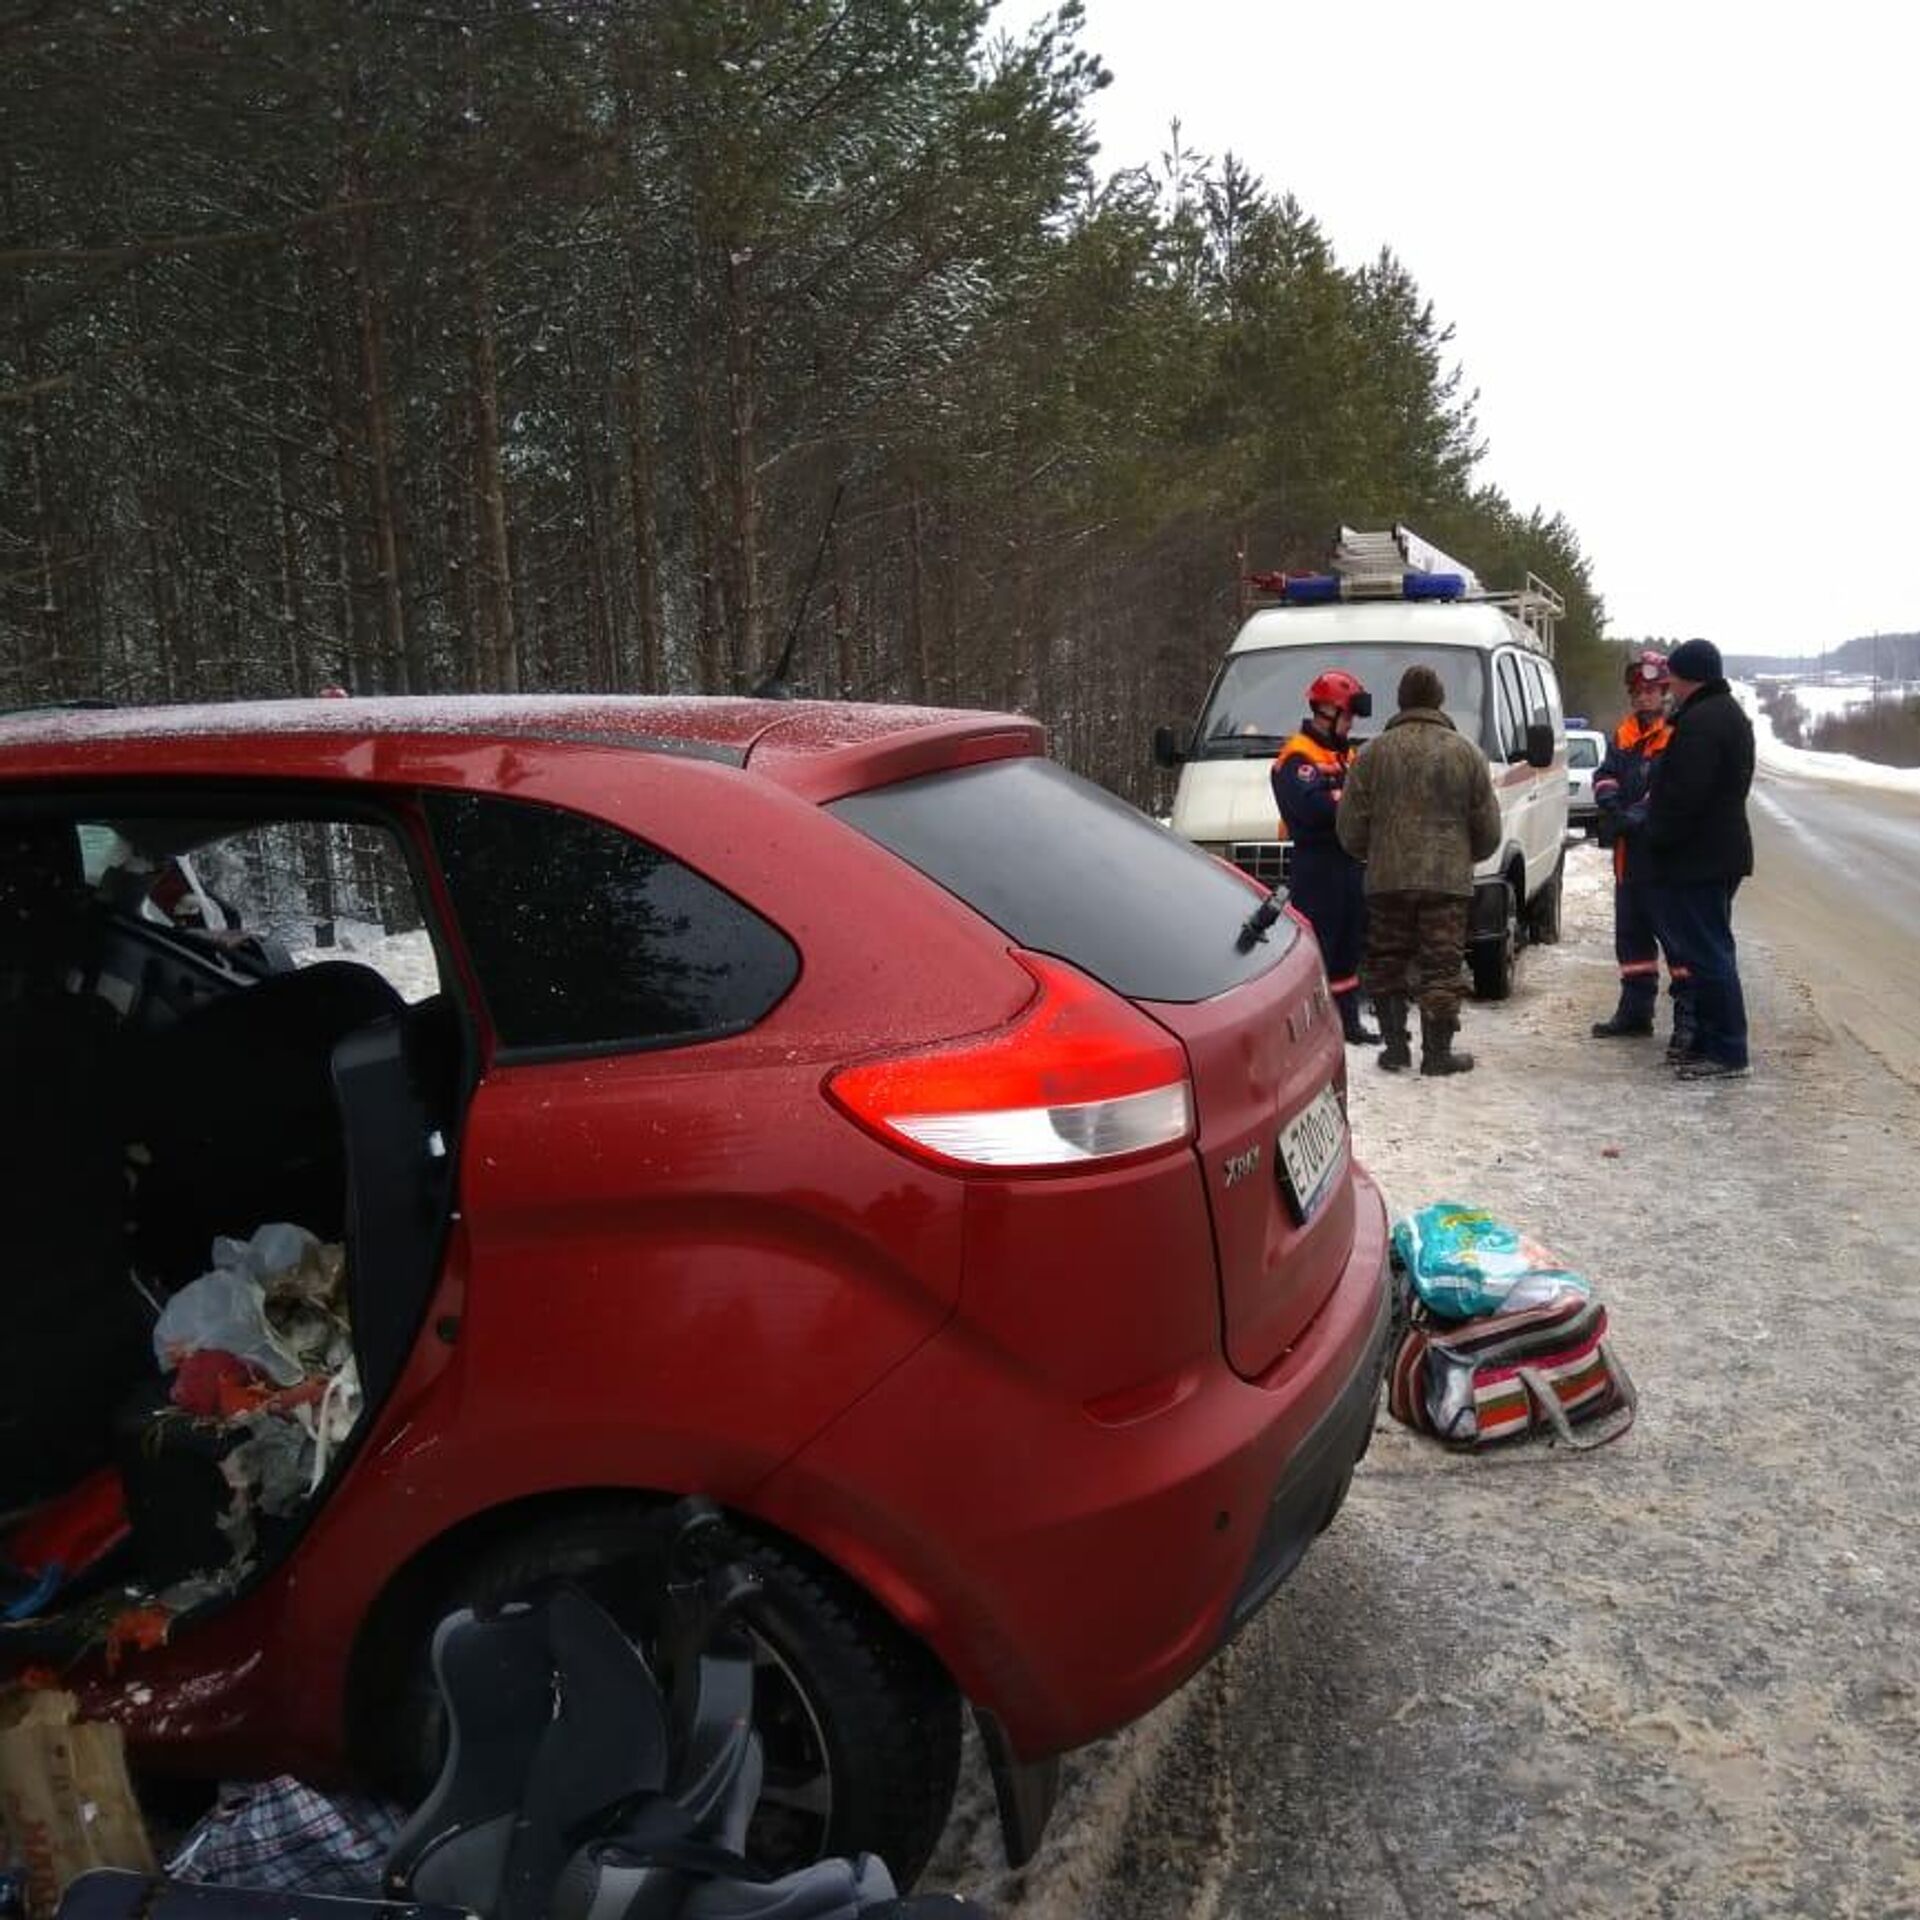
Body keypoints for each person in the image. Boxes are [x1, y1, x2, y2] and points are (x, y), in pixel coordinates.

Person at [1337, 663, 1501, 1075]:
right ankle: (1438, 1054)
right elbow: (1488, 829)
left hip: (1387, 878)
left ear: (1401, 701)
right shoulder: (1466, 753)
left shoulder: (1372, 753)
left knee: (1387, 961)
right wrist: (1465, 855)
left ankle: (1395, 1048)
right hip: (1446, 880)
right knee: (1442, 966)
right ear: (1440, 700)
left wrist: (1373, 852)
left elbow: (1350, 826)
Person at [1646, 637, 1754, 1081]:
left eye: (1671, 675)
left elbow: (1686, 796)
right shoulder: (1722, 714)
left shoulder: (1704, 722)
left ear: (1687, 676)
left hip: (1701, 856)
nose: (1666, 683)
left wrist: (1658, 837)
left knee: (1709, 955)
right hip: (1715, 852)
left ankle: (1727, 1051)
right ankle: (1711, 1043)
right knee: (1708, 950)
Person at [1590, 650, 1695, 1055]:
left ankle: (1688, 1020)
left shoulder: (1676, 733)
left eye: (1650, 690)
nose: (1642, 696)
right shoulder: (1623, 734)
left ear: (1665, 691)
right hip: (1628, 858)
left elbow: (1670, 787)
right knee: (1631, 941)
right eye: (1636, 690)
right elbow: (1605, 775)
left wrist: (1636, 815)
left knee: (1679, 945)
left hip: (1664, 857)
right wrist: (1613, 807)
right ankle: (1635, 1013)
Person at [1272, 669, 1378, 1046]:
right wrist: (1351, 803)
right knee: (1320, 946)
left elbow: (1361, 801)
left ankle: (1348, 1023)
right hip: (1317, 867)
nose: (1351, 724)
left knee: (1348, 946)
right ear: (1329, 711)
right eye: (1349, 716)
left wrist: (1350, 803)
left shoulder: (1344, 754)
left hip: (1348, 863)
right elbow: (1316, 811)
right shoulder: (1299, 756)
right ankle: (1315, 1028)